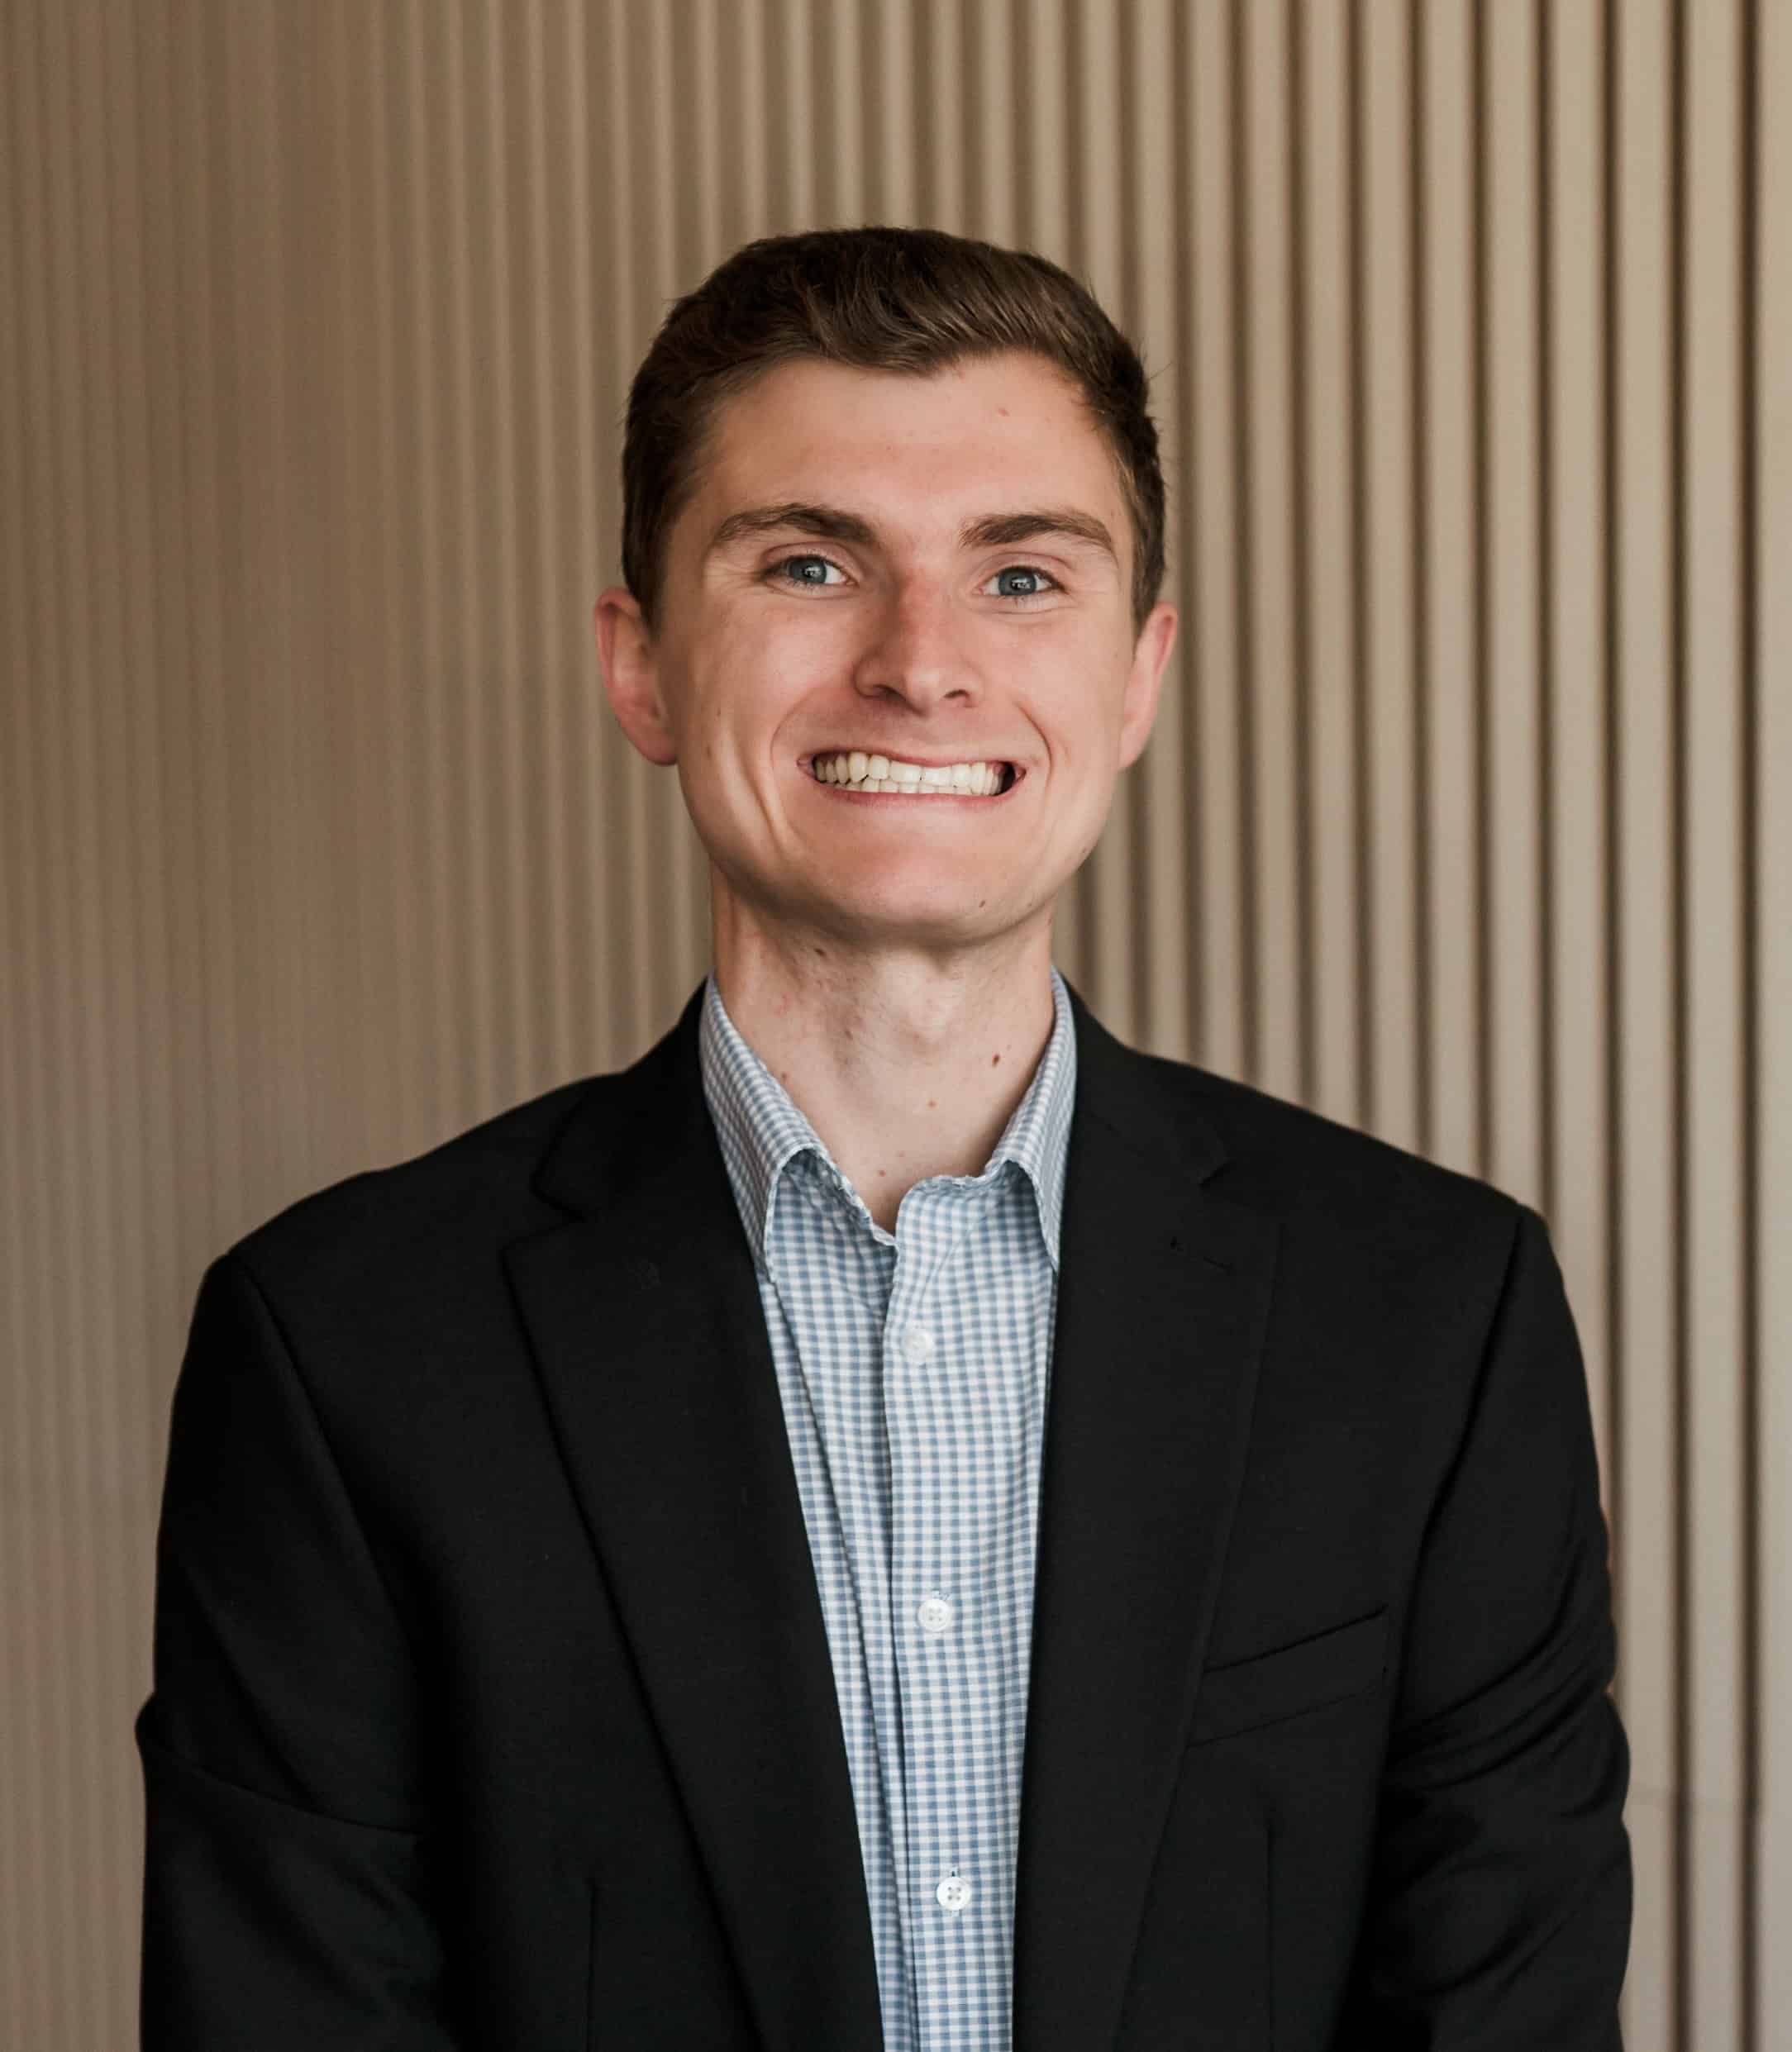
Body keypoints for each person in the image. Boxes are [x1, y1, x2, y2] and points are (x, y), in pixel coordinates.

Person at [136, 226, 1632, 2051]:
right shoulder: (340, 1348)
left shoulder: (1432, 1316)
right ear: (644, 671)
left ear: (1137, 674)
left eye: (1020, 575)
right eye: (808, 561)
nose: (921, 664)